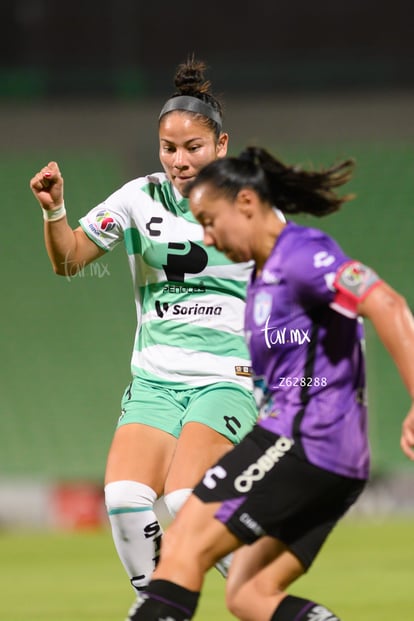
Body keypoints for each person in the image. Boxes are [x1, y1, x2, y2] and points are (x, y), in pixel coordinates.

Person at [131, 146, 414, 621]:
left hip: (306, 440)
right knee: (250, 593)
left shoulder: (303, 254)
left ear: (245, 202)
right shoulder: (262, 282)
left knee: (183, 544)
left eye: (210, 219)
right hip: (337, 460)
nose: (207, 236)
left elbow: (387, 304)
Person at [29, 59, 258, 620]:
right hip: (156, 382)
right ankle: (158, 609)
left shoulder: (252, 204)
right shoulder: (138, 198)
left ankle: (263, 592)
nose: (179, 161)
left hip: (223, 379)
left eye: (194, 147)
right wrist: (55, 209)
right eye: (168, 148)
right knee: (125, 498)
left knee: (185, 498)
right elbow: (69, 261)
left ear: (221, 144)